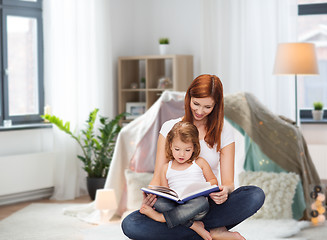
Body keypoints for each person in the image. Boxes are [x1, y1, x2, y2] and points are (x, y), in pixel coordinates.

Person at [122, 74, 265, 240]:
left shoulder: (224, 131)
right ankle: (210, 231)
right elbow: (158, 178)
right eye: (196, 103)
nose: (199, 111)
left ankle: (189, 229)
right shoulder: (170, 127)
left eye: (207, 107)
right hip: (174, 204)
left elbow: (228, 183)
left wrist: (224, 191)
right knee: (130, 224)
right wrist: (150, 197)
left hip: (206, 203)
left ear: (216, 106)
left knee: (255, 195)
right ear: (188, 97)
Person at [140, 121, 218, 240]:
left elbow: (213, 181)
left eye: (187, 150)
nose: (182, 154)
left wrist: (202, 187)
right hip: (176, 206)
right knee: (158, 202)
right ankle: (193, 225)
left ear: (194, 148)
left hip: (196, 208)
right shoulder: (166, 168)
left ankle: (161, 218)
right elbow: (165, 192)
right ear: (170, 145)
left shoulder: (200, 163)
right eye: (177, 149)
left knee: (202, 202)